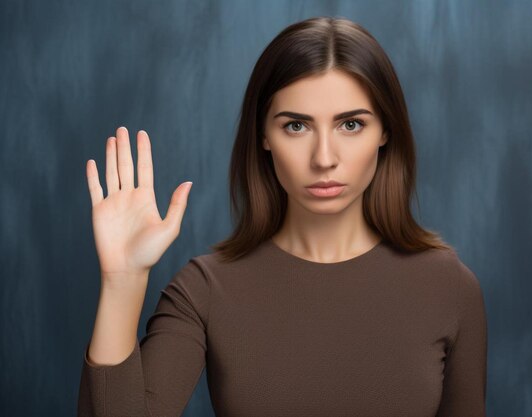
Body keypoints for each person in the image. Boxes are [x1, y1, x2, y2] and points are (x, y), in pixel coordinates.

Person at [78, 16, 487, 417]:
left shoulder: (449, 287)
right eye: (296, 126)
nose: (324, 158)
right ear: (263, 136)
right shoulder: (204, 290)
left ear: (385, 132)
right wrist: (123, 281)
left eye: (350, 124)